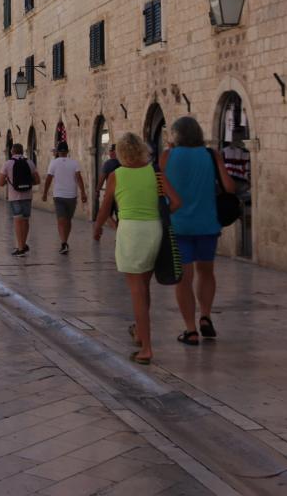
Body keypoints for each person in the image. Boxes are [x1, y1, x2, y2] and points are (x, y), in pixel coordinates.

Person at [93, 133, 181, 365]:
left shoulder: (116, 175)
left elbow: (105, 208)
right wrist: (162, 214)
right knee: (144, 286)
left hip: (131, 232)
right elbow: (177, 202)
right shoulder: (155, 172)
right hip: (154, 230)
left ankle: (147, 348)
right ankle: (140, 334)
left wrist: (97, 227)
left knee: (136, 291)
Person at [161, 116, 236, 346]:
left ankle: (191, 330)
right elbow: (230, 187)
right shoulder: (211, 155)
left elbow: (159, 184)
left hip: (178, 224)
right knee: (206, 272)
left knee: (183, 279)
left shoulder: (167, 156)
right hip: (207, 224)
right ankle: (205, 315)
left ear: (175, 135)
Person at [42, 142, 87, 254]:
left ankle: (64, 242)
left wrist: (45, 193)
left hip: (60, 195)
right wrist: (83, 193)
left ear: (58, 151)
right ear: (67, 151)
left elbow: (48, 179)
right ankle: (64, 242)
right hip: (70, 196)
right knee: (65, 220)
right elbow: (79, 178)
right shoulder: (74, 163)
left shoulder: (53, 163)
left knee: (63, 220)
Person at [0, 143, 40, 256]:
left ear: (12, 152)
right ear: (22, 151)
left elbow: (0, 183)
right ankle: (23, 244)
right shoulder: (29, 162)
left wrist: (9, 180)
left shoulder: (8, 163)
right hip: (27, 196)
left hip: (14, 196)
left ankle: (20, 247)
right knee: (25, 220)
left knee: (17, 221)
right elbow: (37, 180)